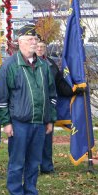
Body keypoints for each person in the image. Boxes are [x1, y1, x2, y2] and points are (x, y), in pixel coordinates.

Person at [0, 24, 57, 195]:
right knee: (17, 162)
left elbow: (52, 95)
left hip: (39, 123)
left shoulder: (44, 66)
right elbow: (1, 98)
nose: (33, 43)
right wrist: (5, 122)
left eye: (35, 40)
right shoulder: (10, 66)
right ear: (19, 42)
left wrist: (50, 119)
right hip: (19, 123)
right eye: (29, 39)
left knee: (34, 161)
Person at [35, 39, 75, 175]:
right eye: (38, 46)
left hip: (47, 107)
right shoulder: (26, 63)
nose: (40, 49)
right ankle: (31, 168)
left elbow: (59, 84)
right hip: (31, 108)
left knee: (47, 139)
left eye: (43, 46)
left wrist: (74, 89)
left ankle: (47, 167)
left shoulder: (50, 64)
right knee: (31, 140)